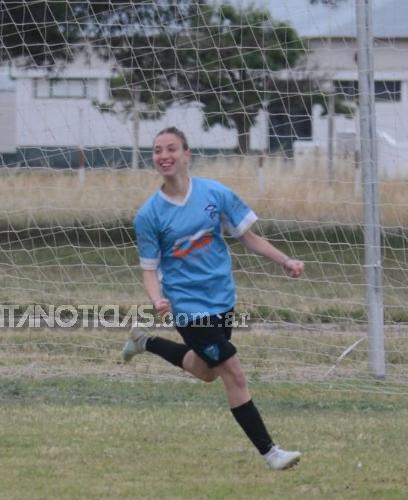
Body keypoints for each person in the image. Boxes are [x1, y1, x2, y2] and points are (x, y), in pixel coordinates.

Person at [123, 126, 305, 471]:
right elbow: (149, 269)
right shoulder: (149, 215)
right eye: (158, 150)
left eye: (171, 148)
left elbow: (247, 237)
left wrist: (285, 260)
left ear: (187, 153)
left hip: (222, 298)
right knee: (234, 373)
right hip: (188, 308)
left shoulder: (215, 193)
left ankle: (143, 342)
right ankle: (271, 453)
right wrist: (157, 299)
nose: (164, 155)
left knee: (207, 372)